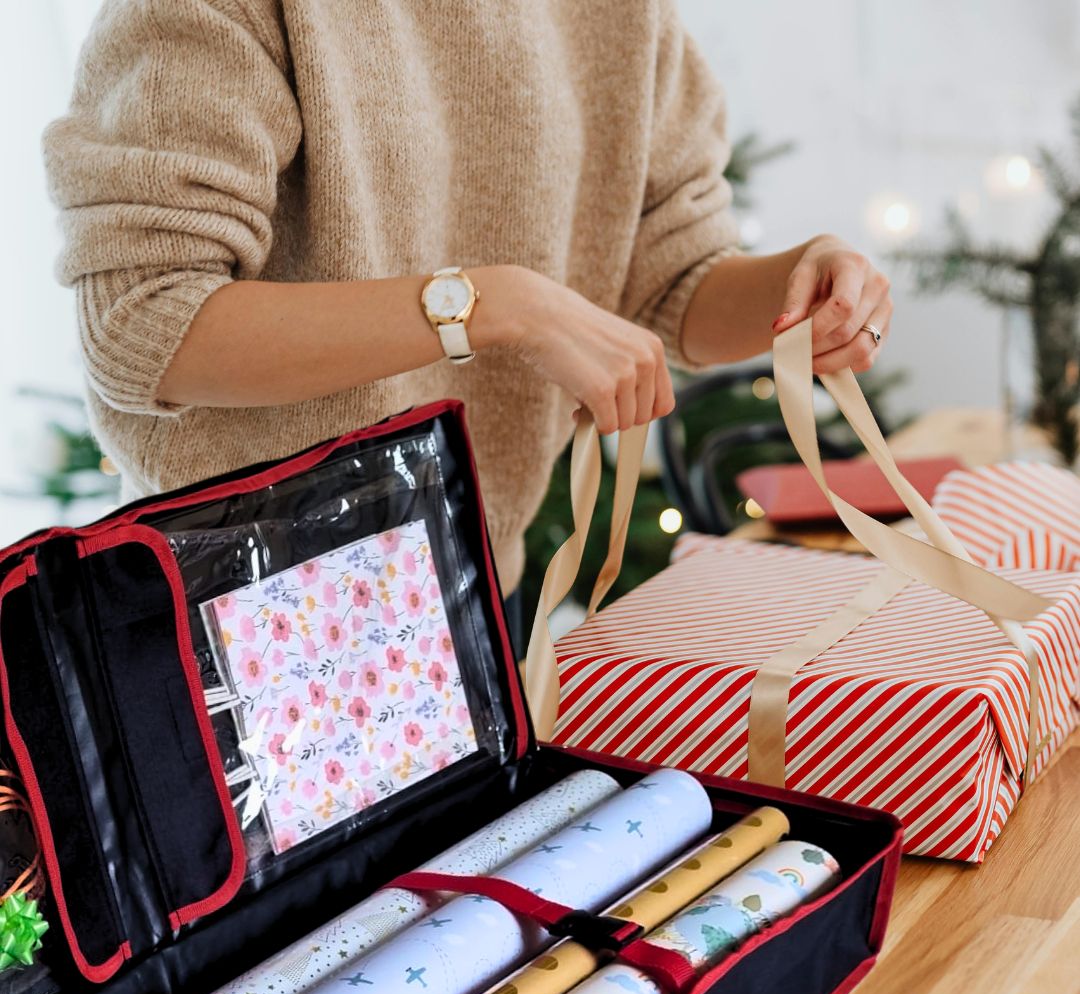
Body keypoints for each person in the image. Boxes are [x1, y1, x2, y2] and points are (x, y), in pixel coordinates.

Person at [43, 0, 891, 611]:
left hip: (479, 586)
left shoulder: (624, 17)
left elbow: (676, 277)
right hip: (249, 611)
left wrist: (799, 282)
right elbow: (146, 325)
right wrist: (491, 305)